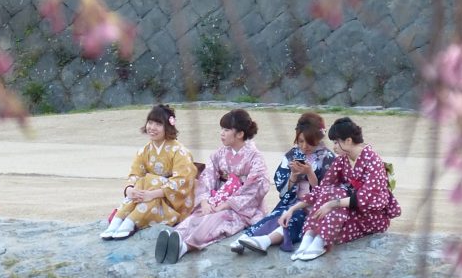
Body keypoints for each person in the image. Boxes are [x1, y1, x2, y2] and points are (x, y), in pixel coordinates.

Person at [155, 109, 270, 264]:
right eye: (222, 129)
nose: (222, 133)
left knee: (216, 220)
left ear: (240, 134)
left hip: (240, 207)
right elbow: (207, 176)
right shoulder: (220, 153)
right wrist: (205, 201)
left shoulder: (255, 158)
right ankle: (174, 238)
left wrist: (225, 205)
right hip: (218, 198)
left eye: (227, 130)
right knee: (199, 215)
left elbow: (255, 188)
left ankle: (183, 248)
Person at [282, 116, 401, 262]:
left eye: (336, 142)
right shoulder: (342, 160)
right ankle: (308, 238)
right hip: (350, 211)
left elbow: (366, 197)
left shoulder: (373, 161)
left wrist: (332, 204)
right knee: (330, 189)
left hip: (372, 215)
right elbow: (322, 189)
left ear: (348, 141)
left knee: (337, 192)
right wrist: (293, 209)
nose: (334, 147)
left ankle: (321, 241)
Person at [230, 111, 334, 255]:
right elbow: (282, 189)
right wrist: (293, 176)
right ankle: (245, 238)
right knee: (276, 215)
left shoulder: (328, 158)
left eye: (309, 142)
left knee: (294, 218)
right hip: (291, 201)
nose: (304, 146)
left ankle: (265, 240)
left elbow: (328, 191)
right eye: (301, 141)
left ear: (319, 138)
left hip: (313, 206)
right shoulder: (291, 155)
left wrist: (310, 173)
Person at [101, 104, 196, 240]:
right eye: (150, 122)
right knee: (141, 182)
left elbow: (182, 181)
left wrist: (152, 193)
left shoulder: (179, 151)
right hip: (147, 196)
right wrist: (130, 190)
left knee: (148, 180)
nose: (152, 127)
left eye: (158, 124)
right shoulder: (144, 151)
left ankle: (129, 221)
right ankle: (118, 221)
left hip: (172, 201)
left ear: (167, 127)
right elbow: (135, 174)